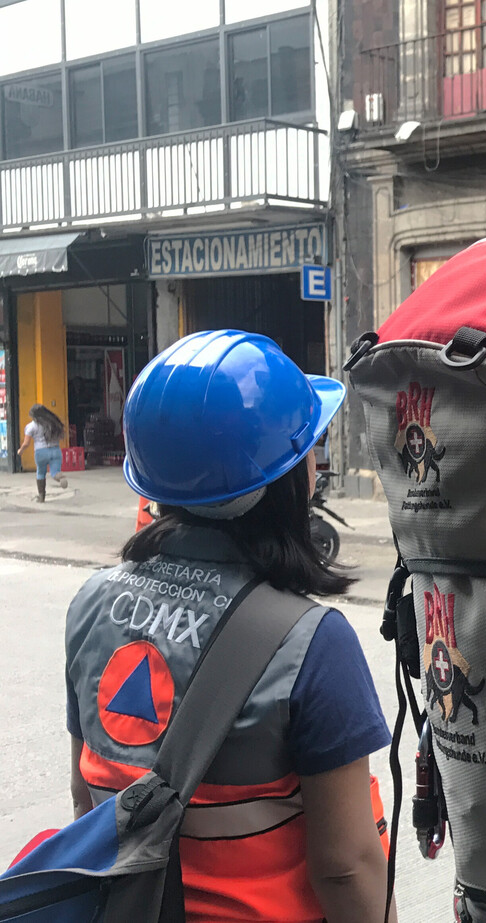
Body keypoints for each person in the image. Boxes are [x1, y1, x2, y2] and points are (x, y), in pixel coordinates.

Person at [63, 330, 395, 923]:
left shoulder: (91, 602)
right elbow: (346, 867)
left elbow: (86, 798)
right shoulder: (311, 642)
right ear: (293, 475)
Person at [19, 404, 68, 501]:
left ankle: (41, 497)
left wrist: (21, 450)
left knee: (41, 473)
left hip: (41, 452)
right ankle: (59, 477)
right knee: (55, 472)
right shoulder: (54, 423)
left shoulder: (31, 426)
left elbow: (26, 443)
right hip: (55, 450)